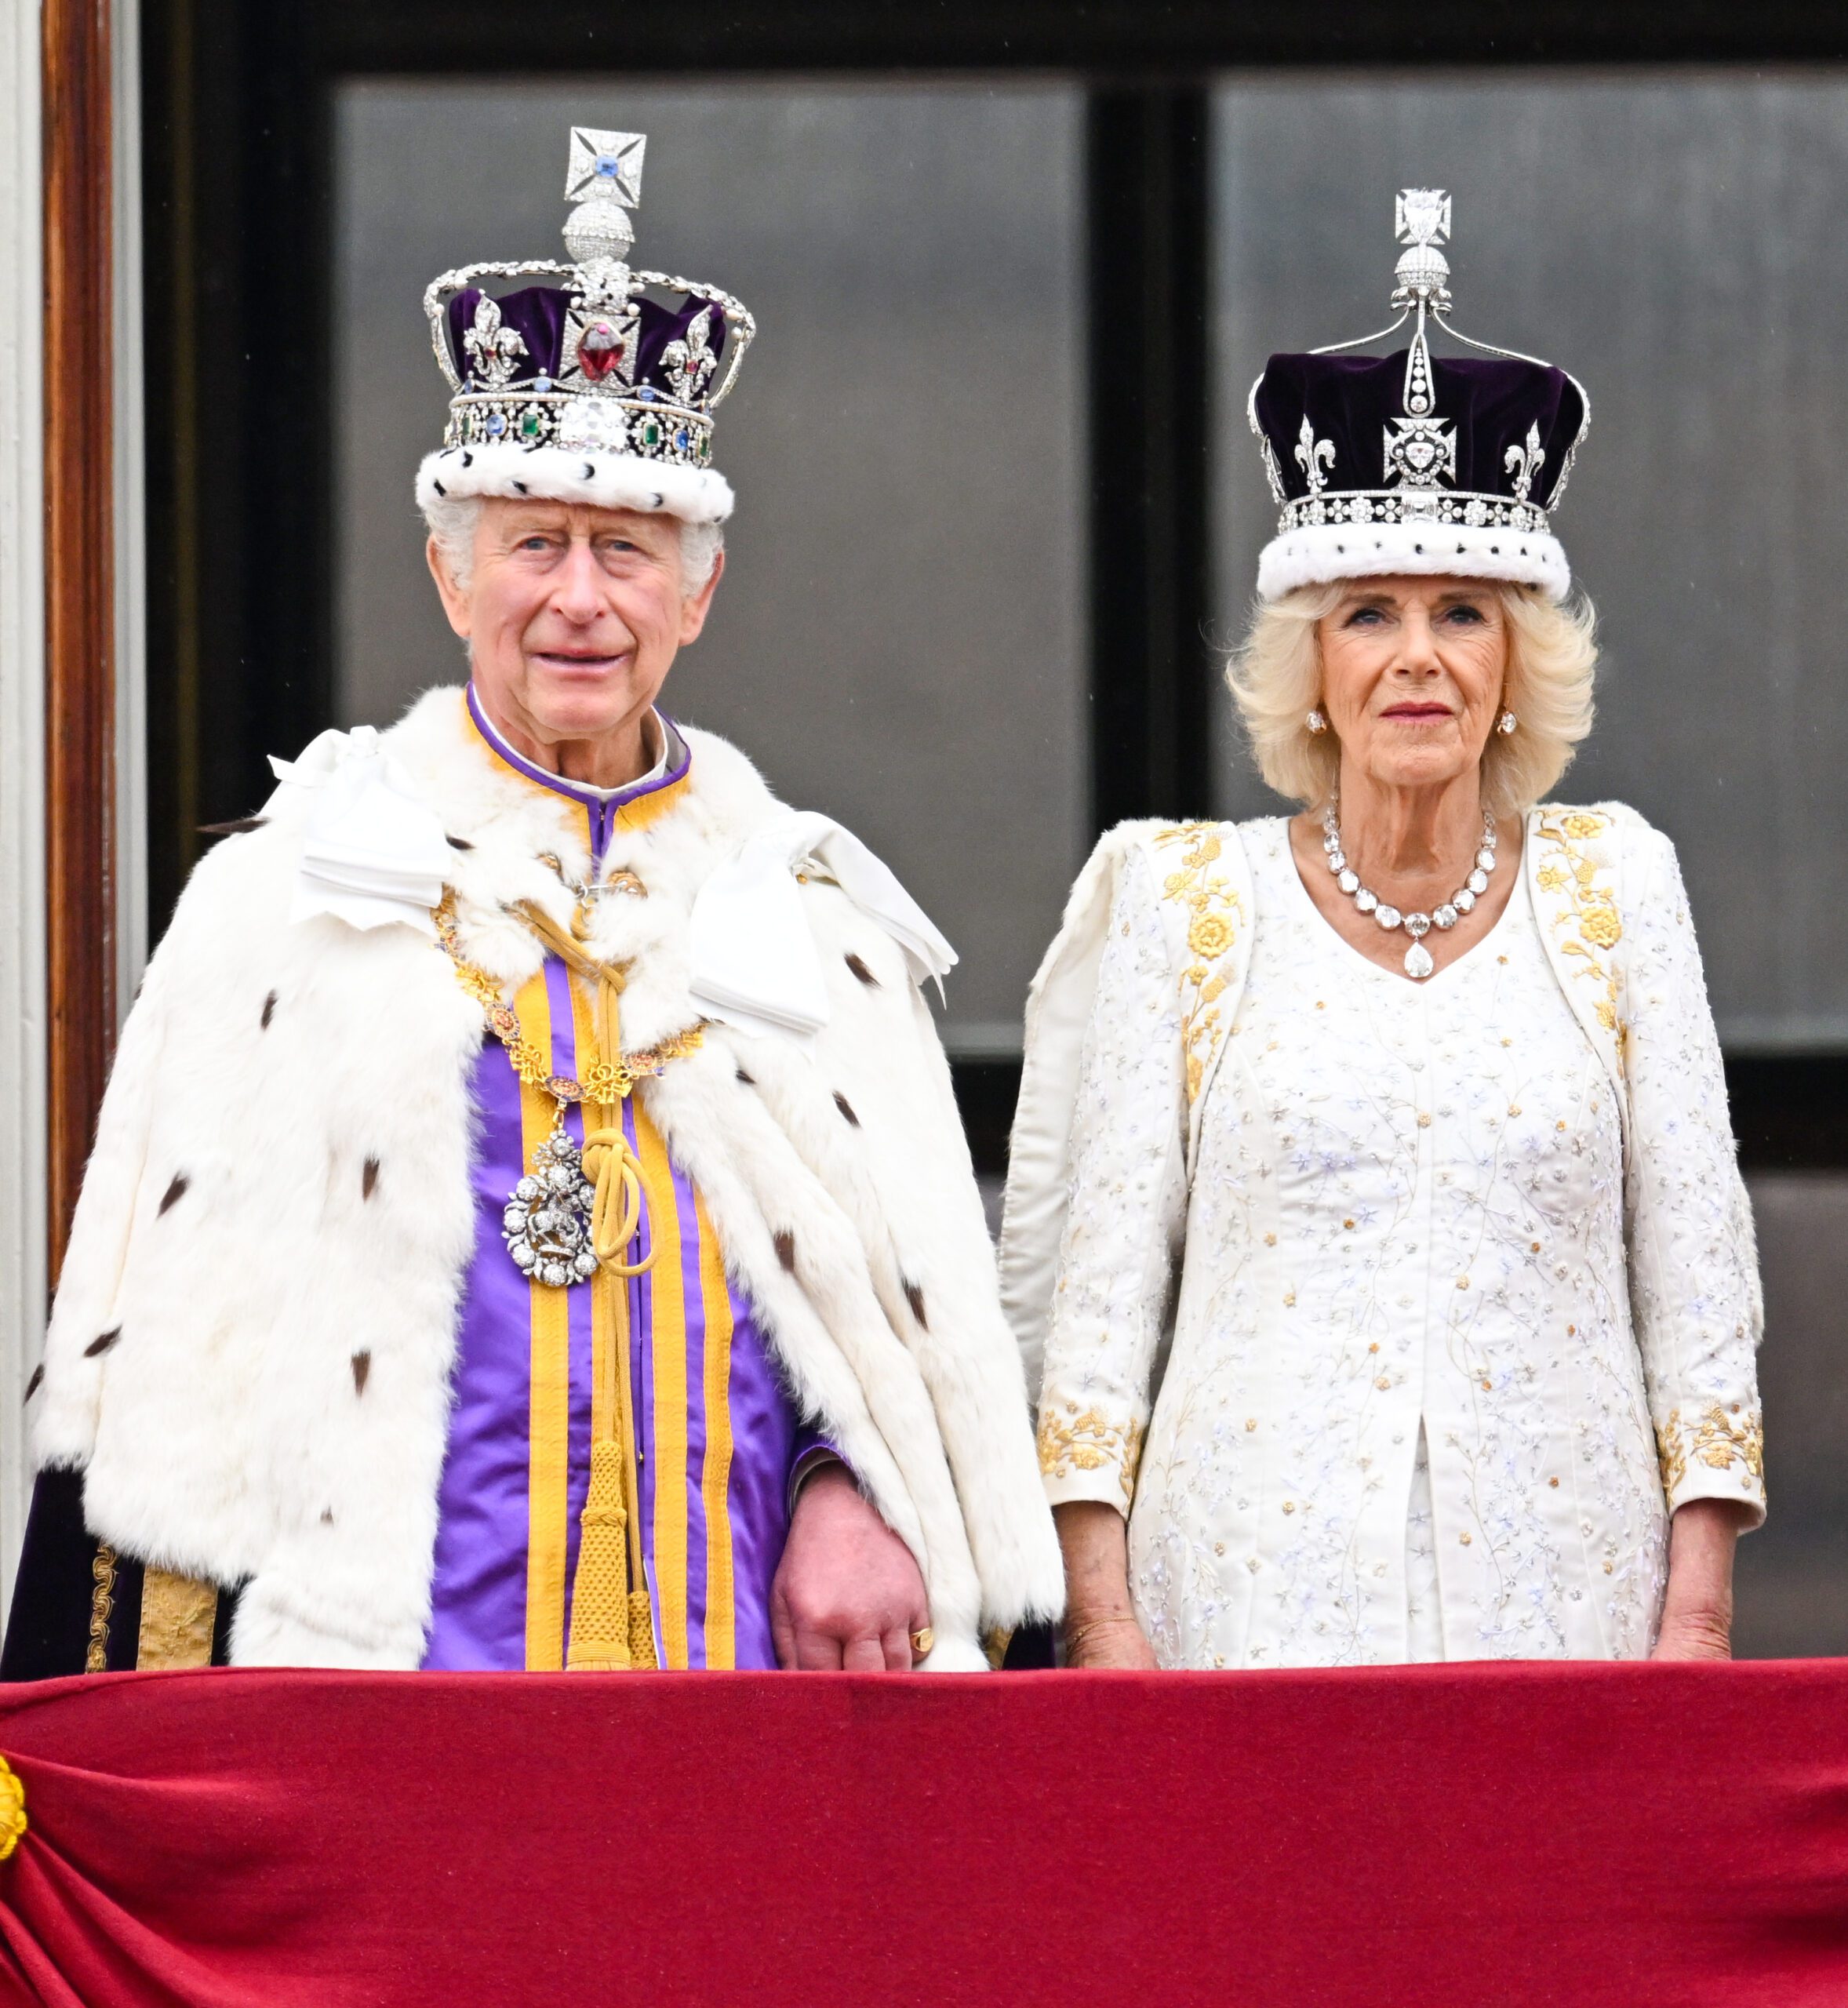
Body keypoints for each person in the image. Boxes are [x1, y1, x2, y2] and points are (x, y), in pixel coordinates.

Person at [5, 126, 1060, 1678]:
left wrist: (855, 1483)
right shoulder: (282, 900)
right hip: (387, 1692)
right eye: (534, 545)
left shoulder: (817, 919)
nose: (578, 596)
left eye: (626, 552)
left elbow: (892, 1334)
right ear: (451, 576)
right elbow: (163, 1366)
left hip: (744, 1693)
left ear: (695, 593)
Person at [1001, 189, 1763, 1672]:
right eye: (1370, 615)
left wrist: (1694, 1620)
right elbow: (1098, 1300)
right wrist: (1106, 1629)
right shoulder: (1184, 900)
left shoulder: (1619, 887)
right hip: (1242, 1608)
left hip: (1571, 1613)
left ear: (1515, 662)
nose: (1418, 656)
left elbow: (1699, 1269)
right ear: (1309, 666)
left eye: (1463, 614)